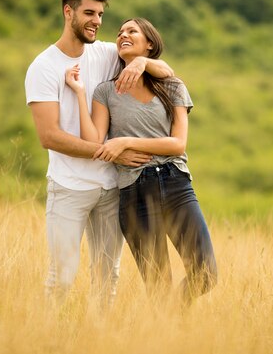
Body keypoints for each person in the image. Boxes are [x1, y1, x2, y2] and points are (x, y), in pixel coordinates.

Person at [24, 0, 174, 307]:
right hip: (68, 188)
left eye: (101, 14)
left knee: (108, 276)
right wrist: (114, 151)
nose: (97, 21)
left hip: (111, 190)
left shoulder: (107, 53)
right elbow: (48, 136)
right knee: (62, 275)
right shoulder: (43, 67)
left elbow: (167, 71)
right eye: (89, 12)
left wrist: (141, 62)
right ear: (68, 12)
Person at [65, 17, 217, 306]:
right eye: (120, 31)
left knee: (206, 273)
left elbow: (177, 144)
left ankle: (172, 317)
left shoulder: (171, 86)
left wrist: (126, 142)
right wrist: (80, 93)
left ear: (150, 43)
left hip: (175, 185)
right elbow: (96, 141)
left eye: (132, 31)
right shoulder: (105, 91)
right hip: (134, 192)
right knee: (158, 289)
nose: (123, 34)